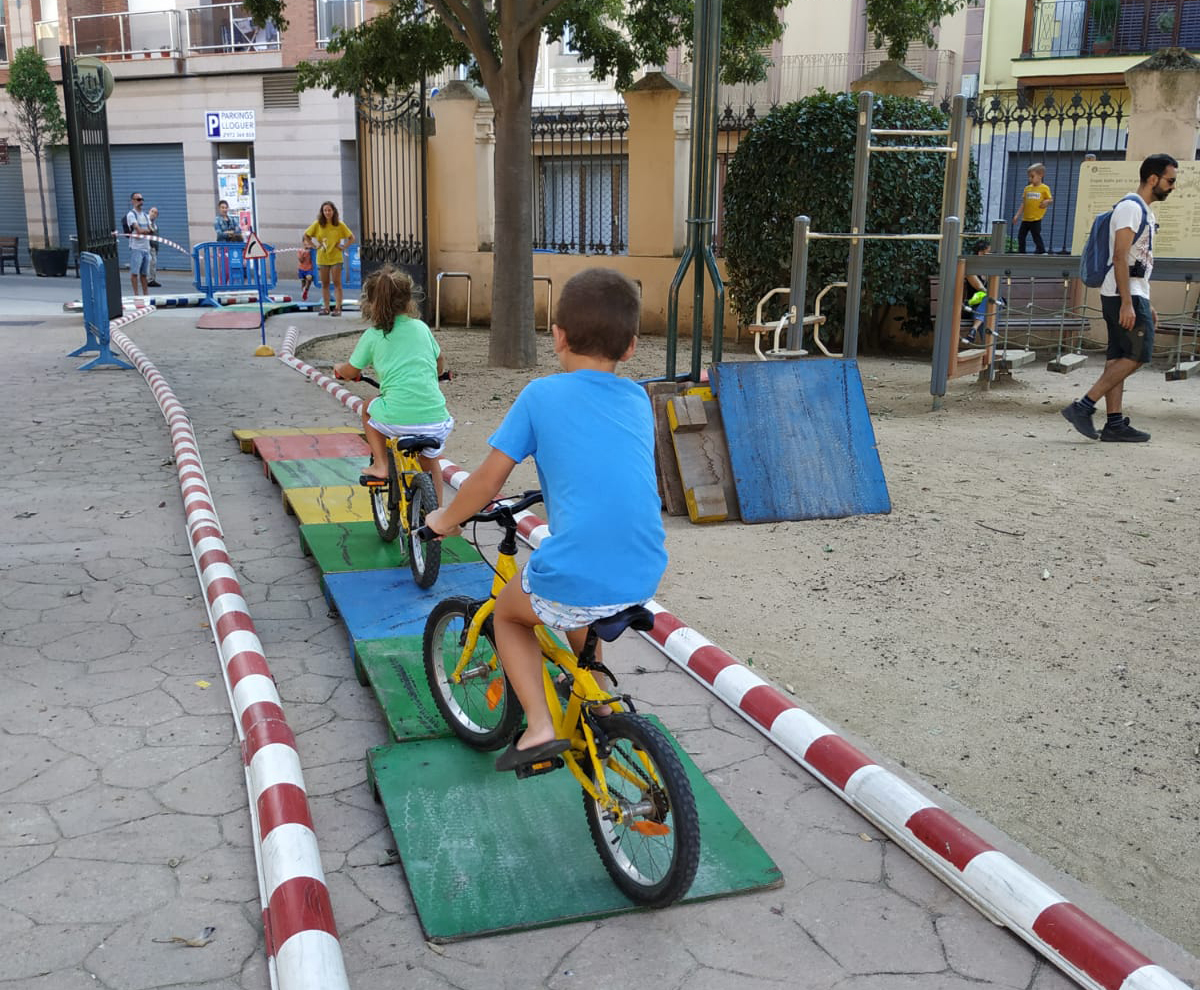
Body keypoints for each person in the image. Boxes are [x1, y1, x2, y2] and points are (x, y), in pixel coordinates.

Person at [424, 268, 668, 773]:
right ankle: (599, 699)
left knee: (509, 617)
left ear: (556, 336)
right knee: (579, 604)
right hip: (645, 567)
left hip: (580, 567)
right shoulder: (638, 398)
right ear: (630, 348)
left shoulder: (540, 395)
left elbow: (487, 481)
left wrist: (445, 518)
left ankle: (537, 727)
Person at [1062, 153, 1178, 444]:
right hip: (1121, 295)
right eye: (1170, 180)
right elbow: (1120, 256)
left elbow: (1138, 261)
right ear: (1153, 178)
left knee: (1118, 357)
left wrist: (1144, 301)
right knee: (1139, 355)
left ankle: (1114, 423)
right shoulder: (1130, 208)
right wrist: (1128, 302)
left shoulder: (1144, 211)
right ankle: (1083, 406)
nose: (1173, 186)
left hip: (1129, 292)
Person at [331, 266, 453, 508]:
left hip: (396, 417)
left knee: (367, 407)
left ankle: (381, 465)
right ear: (409, 299)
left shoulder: (374, 336)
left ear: (371, 303)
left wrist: (340, 370)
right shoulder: (421, 328)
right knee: (432, 464)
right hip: (436, 420)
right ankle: (440, 518)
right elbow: (439, 361)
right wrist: (436, 374)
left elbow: (351, 370)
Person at [302, 201, 355, 316]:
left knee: (337, 283)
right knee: (325, 284)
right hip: (322, 257)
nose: (327, 212)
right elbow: (306, 235)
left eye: (329, 210)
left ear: (333, 211)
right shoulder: (317, 224)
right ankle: (326, 307)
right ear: (322, 212)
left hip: (336, 257)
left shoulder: (339, 225)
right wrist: (314, 245)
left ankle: (337, 308)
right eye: (325, 210)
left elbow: (351, 238)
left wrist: (343, 247)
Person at [1012, 163, 1053, 254]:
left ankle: (1041, 251)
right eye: (1029, 177)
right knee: (1021, 236)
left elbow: (1050, 199)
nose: (1030, 179)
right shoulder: (1027, 189)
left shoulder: (1044, 188)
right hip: (1026, 218)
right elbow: (1024, 203)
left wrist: (1046, 202)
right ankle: (1022, 252)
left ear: (1041, 175)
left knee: (1036, 235)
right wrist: (1017, 215)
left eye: (1032, 176)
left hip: (1036, 218)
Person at [124, 192, 151, 295]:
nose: (141, 201)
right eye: (138, 199)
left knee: (144, 274)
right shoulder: (131, 215)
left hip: (146, 247)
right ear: (133, 201)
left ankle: (146, 294)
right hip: (136, 247)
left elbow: (150, 229)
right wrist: (146, 230)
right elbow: (138, 230)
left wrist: (146, 230)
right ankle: (136, 294)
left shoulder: (145, 215)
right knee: (135, 272)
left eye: (141, 199)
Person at [146, 206, 161, 287]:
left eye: (155, 213)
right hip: (146, 246)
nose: (153, 214)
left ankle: (152, 279)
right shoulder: (145, 222)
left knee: (153, 263)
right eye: (152, 211)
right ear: (149, 211)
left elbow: (156, 237)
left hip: (153, 247)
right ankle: (147, 280)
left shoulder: (155, 226)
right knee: (148, 262)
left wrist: (156, 248)